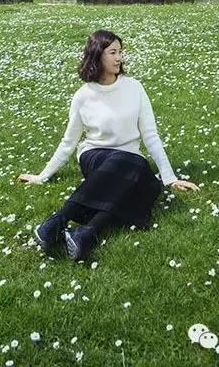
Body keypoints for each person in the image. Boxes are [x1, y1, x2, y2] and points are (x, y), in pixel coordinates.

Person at [18, 29, 199, 261]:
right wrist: (42, 176)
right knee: (135, 173)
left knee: (150, 187)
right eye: (112, 52)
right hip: (96, 155)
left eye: (120, 52)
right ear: (97, 56)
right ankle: (60, 220)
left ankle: (86, 233)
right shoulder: (84, 95)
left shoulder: (135, 88)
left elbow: (150, 135)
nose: (118, 58)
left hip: (130, 160)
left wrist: (170, 178)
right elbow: (68, 142)